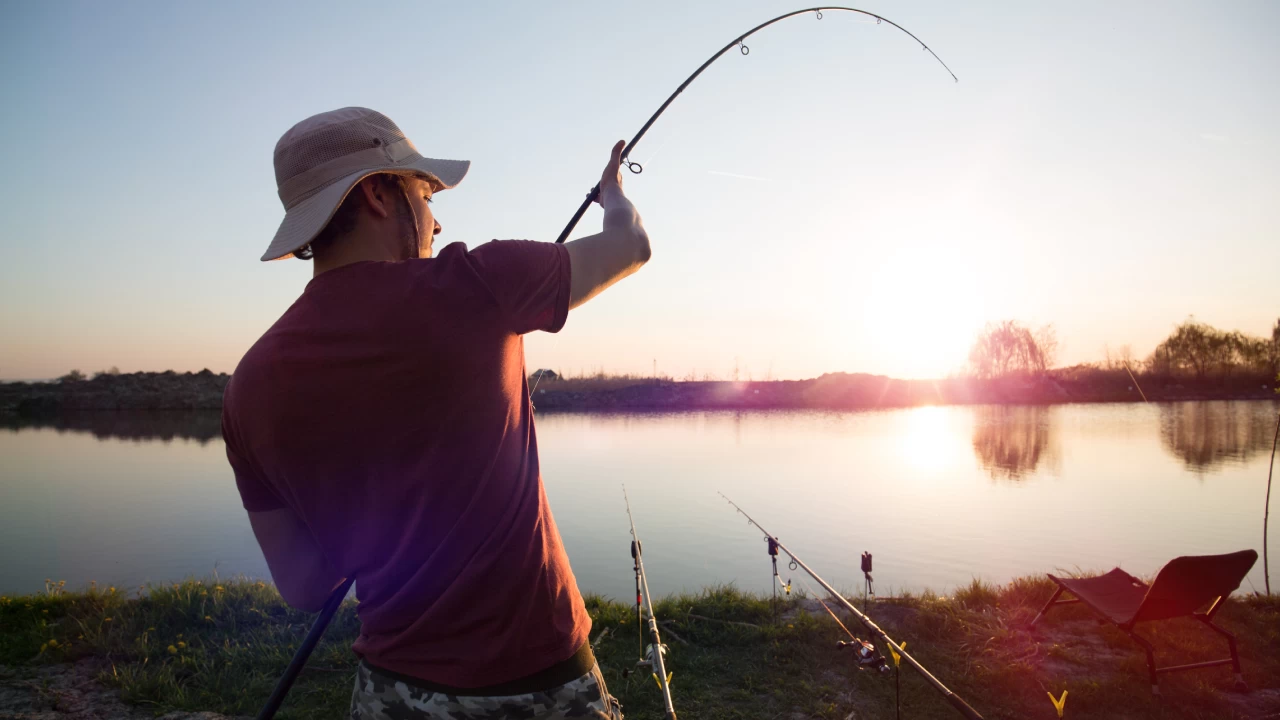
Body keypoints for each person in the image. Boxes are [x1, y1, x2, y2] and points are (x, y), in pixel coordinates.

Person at [221, 107, 650, 719]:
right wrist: (613, 197)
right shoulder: (482, 284)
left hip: (390, 696)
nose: (437, 218)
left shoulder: (249, 386)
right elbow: (631, 246)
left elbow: (307, 587)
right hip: (539, 683)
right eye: (423, 191)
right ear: (376, 192)